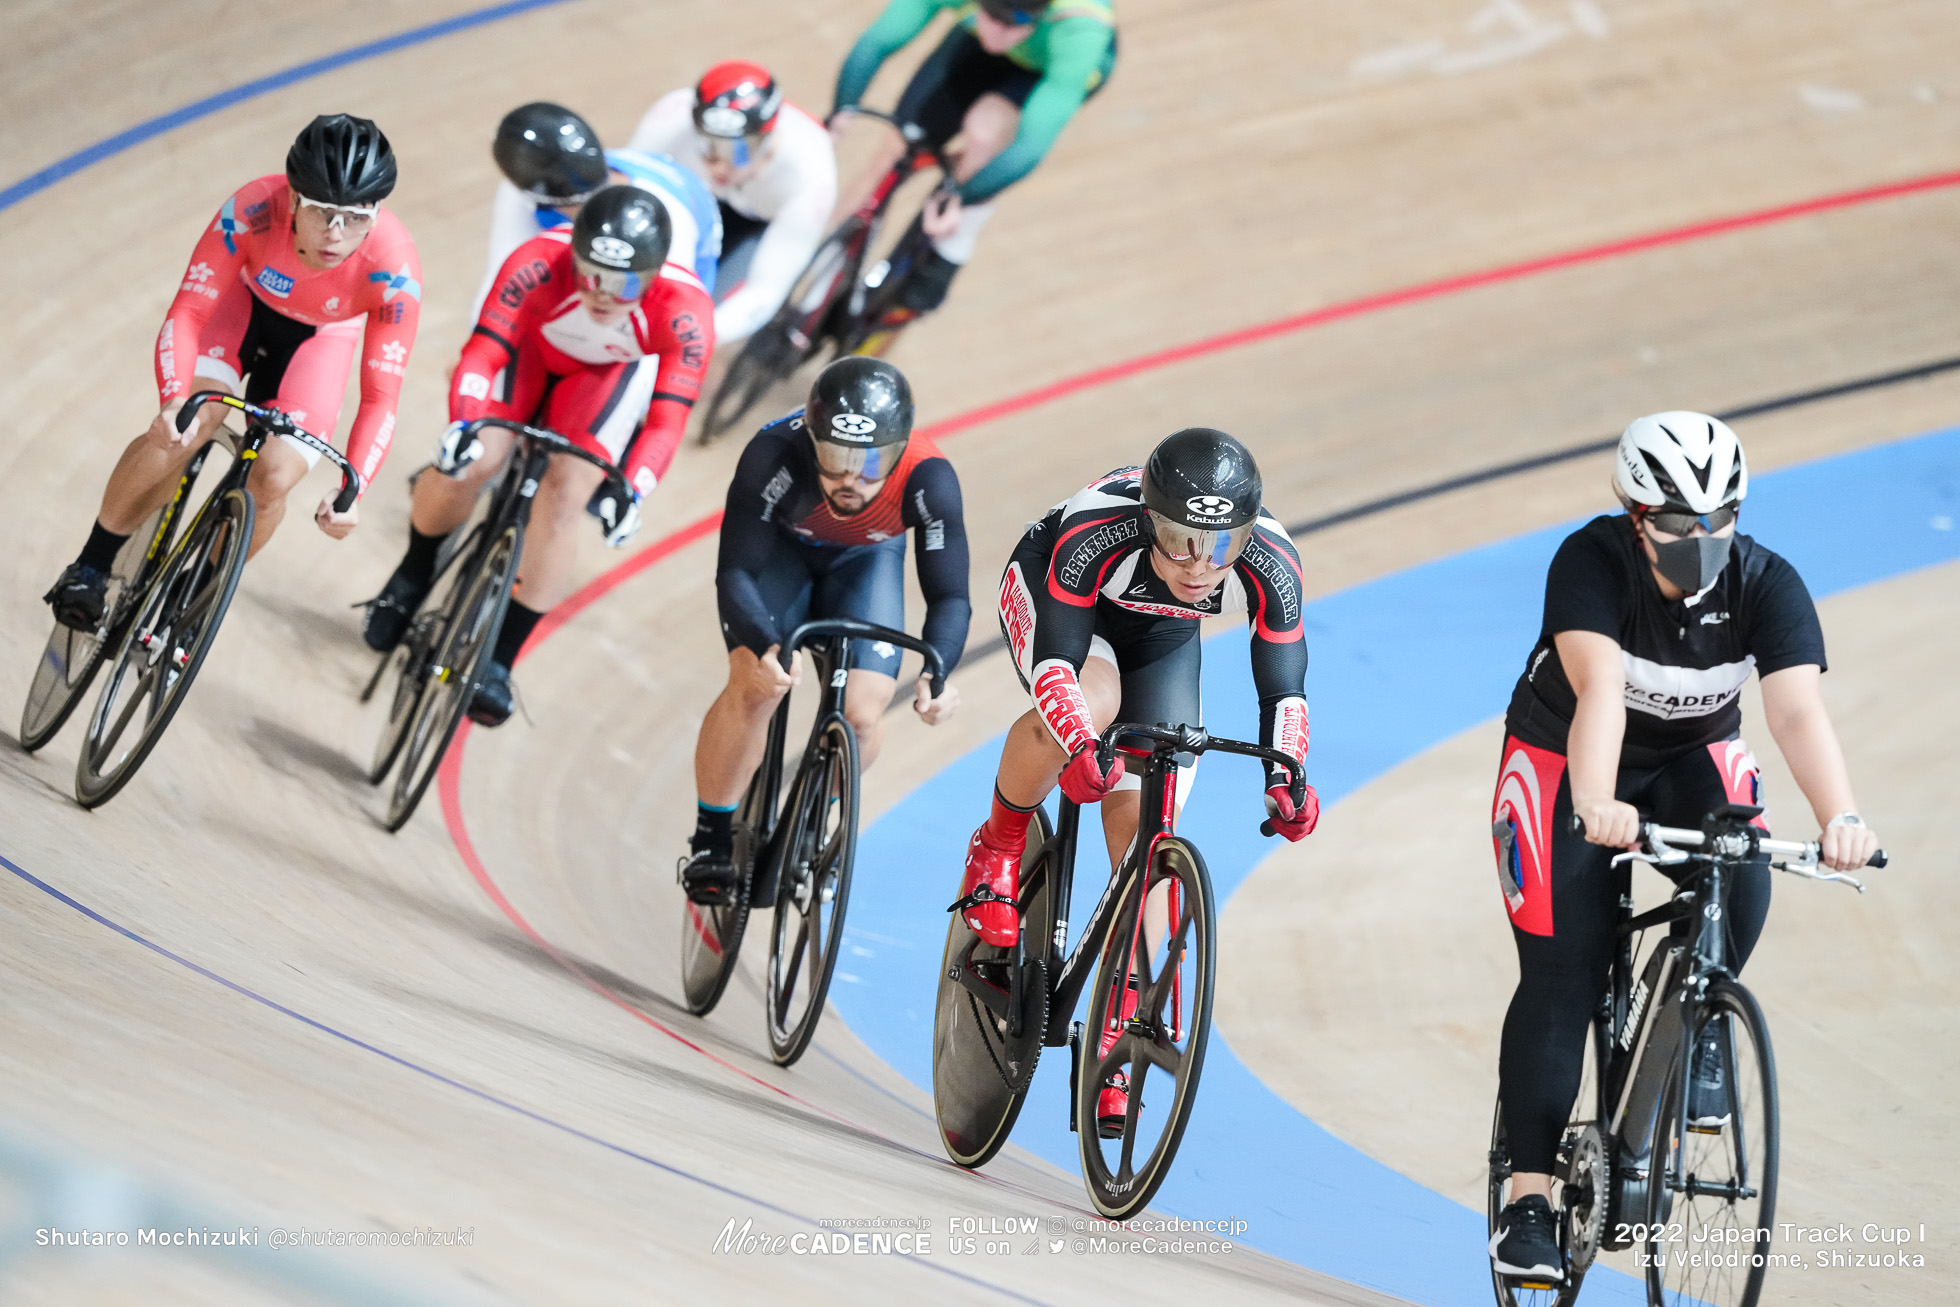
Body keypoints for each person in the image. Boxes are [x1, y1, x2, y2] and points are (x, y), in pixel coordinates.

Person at [1486, 412, 1882, 1282]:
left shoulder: (1767, 583)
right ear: (1635, 516)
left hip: (1691, 757)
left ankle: (1699, 1016)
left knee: (1743, 871)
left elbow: (1794, 711)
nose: (1699, 541)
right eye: (1676, 526)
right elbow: (1601, 693)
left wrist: (1841, 815)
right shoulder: (1591, 562)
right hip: (1565, 756)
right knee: (1563, 970)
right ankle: (1526, 1198)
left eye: (1719, 522)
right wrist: (1593, 800)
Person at [958, 427, 1317, 1132]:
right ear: (1151, 518)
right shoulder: (1099, 525)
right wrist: (1079, 744)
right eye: (1183, 540)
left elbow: (1285, 688)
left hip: (1160, 639)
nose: (1201, 565)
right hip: (1063, 601)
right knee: (1092, 705)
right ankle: (996, 848)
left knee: (1146, 839)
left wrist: (1291, 777)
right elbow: (1058, 664)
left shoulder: (1273, 559)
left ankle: (1123, 1028)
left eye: (1221, 547)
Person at [44, 115, 419, 630]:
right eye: (323, 213)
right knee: (189, 426)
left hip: (320, 342)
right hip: (242, 310)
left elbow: (380, 397)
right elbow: (189, 313)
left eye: (356, 217)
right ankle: (91, 565)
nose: (337, 234)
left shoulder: (394, 266)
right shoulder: (252, 209)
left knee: (274, 477)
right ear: (292, 199)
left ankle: (196, 597)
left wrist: (355, 486)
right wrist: (175, 399)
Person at [359, 186, 715, 726]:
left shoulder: (685, 313)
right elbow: (483, 352)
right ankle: (411, 574)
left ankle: (500, 661)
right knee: (477, 459)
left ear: (656, 275)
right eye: (590, 273)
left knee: (567, 497)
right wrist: (464, 424)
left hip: (599, 379)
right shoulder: (535, 263)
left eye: (624, 284)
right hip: (524, 352)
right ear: (573, 250)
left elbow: (668, 419)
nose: (602, 294)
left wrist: (633, 489)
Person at [680, 356, 969, 903]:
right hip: (780, 556)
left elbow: (950, 595)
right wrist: (763, 647)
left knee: (861, 716)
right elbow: (736, 571)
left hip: (867, 562)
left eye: (869, 464)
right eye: (834, 459)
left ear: (900, 450)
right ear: (811, 440)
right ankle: (711, 840)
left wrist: (939, 668)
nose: (849, 480)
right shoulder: (774, 454)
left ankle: (823, 816)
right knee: (756, 686)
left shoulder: (929, 478)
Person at [828, 0, 1116, 344]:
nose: (998, 33)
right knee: (896, 147)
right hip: (972, 43)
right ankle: (820, 280)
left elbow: (1028, 148)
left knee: (983, 139)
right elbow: (876, 42)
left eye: (1017, 22)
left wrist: (959, 197)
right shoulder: (988, 26)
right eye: (993, 15)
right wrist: (841, 110)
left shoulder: (1079, 30)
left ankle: (938, 264)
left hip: (1044, 70)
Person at [628, 61, 838, 345]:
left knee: (698, 310)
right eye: (707, 145)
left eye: (739, 152)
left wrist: (691, 340)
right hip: (691, 197)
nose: (719, 165)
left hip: (757, 222)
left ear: (768, 139)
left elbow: (764, 291)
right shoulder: (673, 115)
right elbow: (620, 192)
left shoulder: (810, 176)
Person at [473, 101, 722, 318]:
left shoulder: (662, 219)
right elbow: (502, 277)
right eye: (573, 208)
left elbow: (668, 318)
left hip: (669, 282)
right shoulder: (518, 192)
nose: (582, 211)